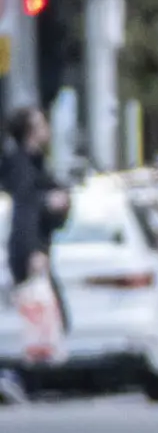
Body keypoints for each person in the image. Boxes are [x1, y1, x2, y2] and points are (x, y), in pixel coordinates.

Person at [2, 107, 68, 402]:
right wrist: (33, 251)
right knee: (31, 316)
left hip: (36, 248)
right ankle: (18, 377)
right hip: (27, 250)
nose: (47, 130)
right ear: (30, 130)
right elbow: (25, 212)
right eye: (42, 124)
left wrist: (59, 203)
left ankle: (27, 378)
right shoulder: (21, 165)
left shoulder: (37, 163)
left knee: (45, 316)